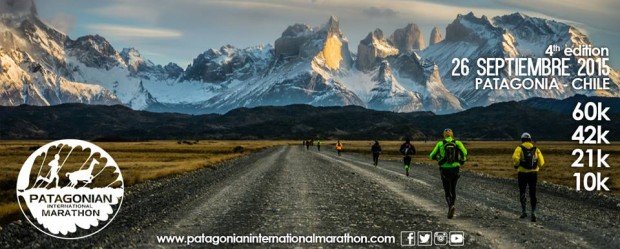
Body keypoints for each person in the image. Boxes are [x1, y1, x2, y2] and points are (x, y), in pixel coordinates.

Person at [429, 128, 467, 219]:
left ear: (444, 135)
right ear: (452, 134)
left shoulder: (440, 143)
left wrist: (438, 159)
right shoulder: (457, 143)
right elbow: (465, 153)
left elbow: (431, 156)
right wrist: (461, 161)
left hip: (444, 169)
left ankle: (450, 206)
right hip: (455, 168)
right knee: (453, 188)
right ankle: (453, 205)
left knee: (447, 190)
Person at [512, 132, 544, 222]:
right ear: (530, 139)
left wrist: (517, 165)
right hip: (533, 174)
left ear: (522, 140)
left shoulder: (519, 148)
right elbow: (541, 162)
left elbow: (515, 158)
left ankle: (524, 211)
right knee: (532, 192)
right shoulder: (536, 149)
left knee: (522, 191)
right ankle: (533, 212)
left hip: (522, 173)